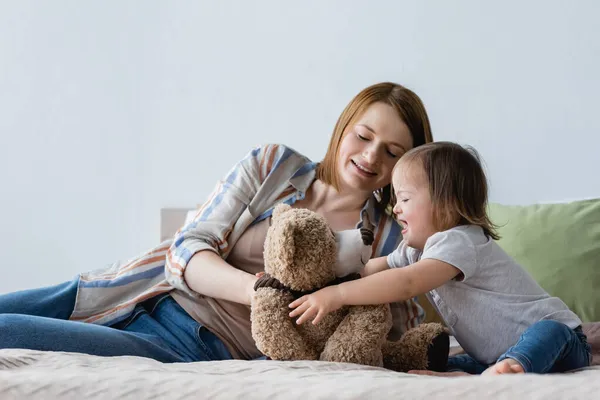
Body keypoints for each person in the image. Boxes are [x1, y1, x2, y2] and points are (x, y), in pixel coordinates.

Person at [0, 82, 434, 362]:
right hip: (145, 292)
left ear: (406, 164)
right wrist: (257, 292)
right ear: (343, 128)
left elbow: (399, 327)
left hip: (194, 347)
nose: (372, 155)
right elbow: (187, 249)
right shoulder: (274, 165)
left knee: (9, 332)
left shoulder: (390, 235)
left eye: (393, 151)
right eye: (364, 136)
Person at [289, 141, 592, 375]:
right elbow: (369, 271)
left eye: (405, 199)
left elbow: (406, 283)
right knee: (447, 362)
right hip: (494, 355)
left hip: (561, 343)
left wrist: (339, 295)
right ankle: (496, 370)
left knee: (550, 329)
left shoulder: (460, 240)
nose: (396, 209)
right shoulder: (416, 250)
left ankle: (513, 367)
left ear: (446, 207)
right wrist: (320, 284)